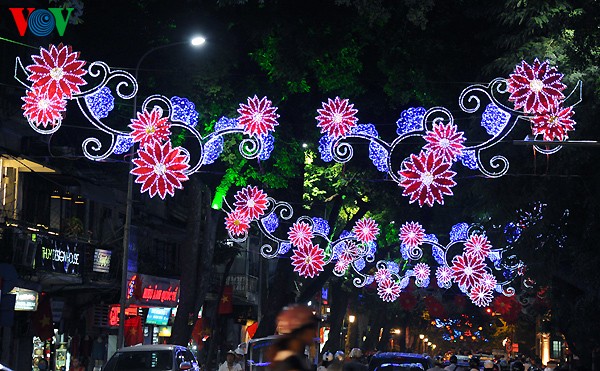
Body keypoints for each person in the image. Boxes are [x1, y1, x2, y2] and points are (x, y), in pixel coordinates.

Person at [267, 304, 319, 371]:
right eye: (312, 328)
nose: (314, 334)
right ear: (300, 331)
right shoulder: (288, 362)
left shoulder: (296, 358)